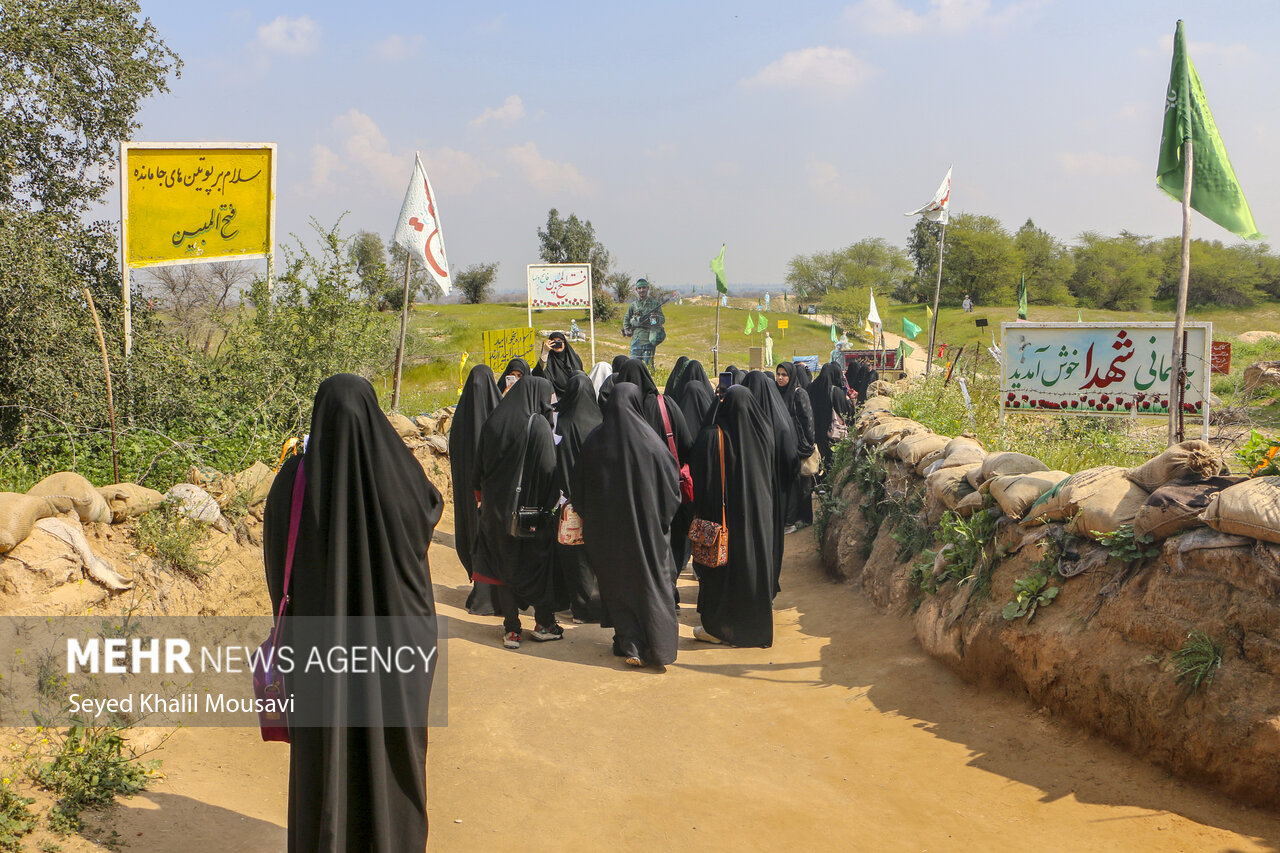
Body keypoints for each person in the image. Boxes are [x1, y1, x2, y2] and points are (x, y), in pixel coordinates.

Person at [263, 374, 442, 852]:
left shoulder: (292, 483)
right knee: (394, 750)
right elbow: (431, 509)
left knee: (325, 752)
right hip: (397, 649)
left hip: (319, 654)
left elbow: (276, 565)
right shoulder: (400, 473)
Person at [571, 383, 681, 668]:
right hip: (648, 535)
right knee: (650, 585)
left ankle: (628, 642)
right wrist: (661, 521)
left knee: (617, 586)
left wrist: (596, 520)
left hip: (606, 535)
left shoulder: (594, 441)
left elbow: (579, 491)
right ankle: (656, 646)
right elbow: (671, 491)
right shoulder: (652, 443)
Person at [472, 376, 563, 648]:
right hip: (530, 514)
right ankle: (544, 624)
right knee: (539, 566)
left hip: (495, 513)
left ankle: (511, 629)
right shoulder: (538, 426)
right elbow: (549, 470)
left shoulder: (493, 422)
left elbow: (478, 470)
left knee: (504, 565)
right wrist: (550, 507)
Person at [690, 385, 775, 648]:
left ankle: (720, 628)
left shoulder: (712, 437)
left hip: (722, 519)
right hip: (758, 518)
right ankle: (754, 629)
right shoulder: (763, 434)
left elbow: (700, 478)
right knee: (752, 568)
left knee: (722, 573)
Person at [450, 365, 503, 616]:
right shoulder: (498, 414)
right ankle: (498, 597)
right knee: (495, 542)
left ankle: (481, 592)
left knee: (475, 538)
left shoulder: (460, 420)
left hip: (468, 495)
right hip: (493, 495)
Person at [552, 372, 604, 623]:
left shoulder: (563, 423)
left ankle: (581, 607)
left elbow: (558, 462)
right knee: (597, 554)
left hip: (570, 501)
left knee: (575, 556)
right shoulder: (601, 421)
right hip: (598, 501)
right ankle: (600, 606)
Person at [741, 371, 798, 598]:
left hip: (746, 492)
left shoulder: (740, 419)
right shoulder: (781, 422)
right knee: (771, 536)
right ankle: (769, 584)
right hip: (776, 491)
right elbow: (791, 457)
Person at [776, 362, 816, 532]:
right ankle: (789, 519)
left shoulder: (799, 394)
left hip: (799, 446)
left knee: (802, 482)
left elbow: (808, 421)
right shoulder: (776, 393)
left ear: (791, 376)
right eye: (778, 374)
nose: (780, 378)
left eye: (784, 375)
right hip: (784, 447)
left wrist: (807, 445)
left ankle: (803, 519)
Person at [808, 361, 853, 467]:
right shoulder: (836, 392)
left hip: (814, 434)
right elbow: (845, 413)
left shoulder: (810, 388)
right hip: (831, 435)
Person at [621, 279, 666, 367]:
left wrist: (655, 318)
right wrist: (627, 329)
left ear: (648, 288)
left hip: (649, 339)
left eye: (644, 288)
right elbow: (626, 318)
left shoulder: (654, 304)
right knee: (632, 365)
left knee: (648, 367)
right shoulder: (633, 305)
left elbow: (662, 319)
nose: (642, 290)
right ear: (636, 290)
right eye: (639, 288)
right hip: (636, 340)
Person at [532, 330, 583, 395]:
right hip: (555, 397)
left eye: (559, 341)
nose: (557, 344)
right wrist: (545, 352)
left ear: (564, 343)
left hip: (574, 395)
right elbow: (537, 374)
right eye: (554, 341)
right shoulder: (549, 360)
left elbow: (581, 377)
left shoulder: (574, 359)